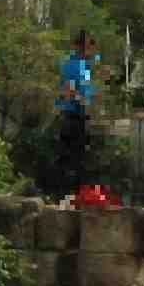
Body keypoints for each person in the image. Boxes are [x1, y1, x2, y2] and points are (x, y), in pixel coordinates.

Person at [56, 29, 98, 192]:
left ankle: (64, 196)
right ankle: (75, 199)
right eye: (90, 49)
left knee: (65, 162)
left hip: (66, 117)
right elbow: (77, 94)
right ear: (85, 48)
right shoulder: (81, 68)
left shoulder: (66, 63)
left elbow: (68, 90)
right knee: (78, 163)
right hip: (76, 117)